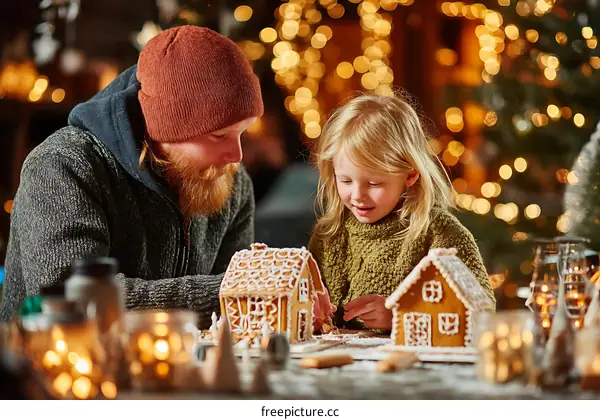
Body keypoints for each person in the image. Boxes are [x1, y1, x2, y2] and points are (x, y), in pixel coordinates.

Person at [0, 25, 264, 328]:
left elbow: (234, 320)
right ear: (164, 129)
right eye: (219, 135)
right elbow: (73, 300)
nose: (237, 155)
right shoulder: (63, 166)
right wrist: (234, 293)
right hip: (57, 369)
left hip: (183, 368)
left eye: (243, 131)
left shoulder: (231, 179)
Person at [309, 92, 496, 332]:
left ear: (409, 175)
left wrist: (403, 317)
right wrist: (309, 317)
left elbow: (482, 314)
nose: (357, 195)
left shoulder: (440, 235)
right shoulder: (328, 235)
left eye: (374, 183)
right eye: (345, 181)